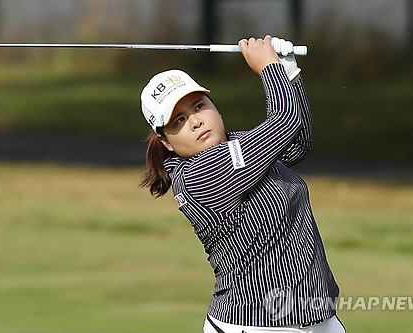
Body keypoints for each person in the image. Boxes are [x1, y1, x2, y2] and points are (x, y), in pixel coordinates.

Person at [139, 35, 345, 333]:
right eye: (178, 120)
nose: (195, 121)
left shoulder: (236, 145)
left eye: (198, 106)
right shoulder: (204, 172)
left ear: (215, 108)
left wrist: (289, 73)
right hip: (255, 325)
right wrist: (268, 68)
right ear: (165, 142)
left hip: (317, 318)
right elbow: (285, 120)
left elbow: (296, 143)